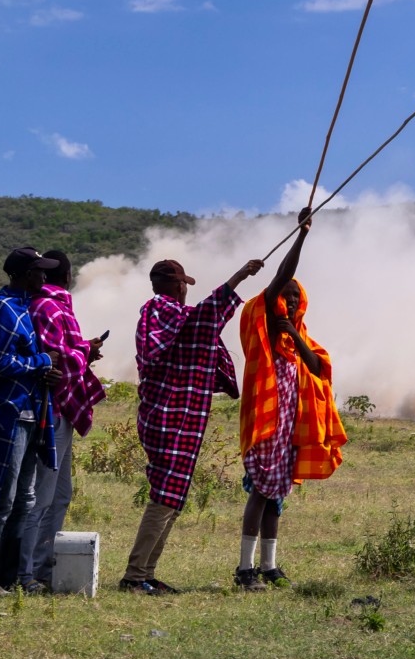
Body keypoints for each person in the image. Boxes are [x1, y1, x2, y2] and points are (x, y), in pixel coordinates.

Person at [121, 254, 263, 594]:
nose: (186, 290)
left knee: (171, 496)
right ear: (176, 286)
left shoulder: (169, 316)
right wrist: (239, 277)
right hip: (168, 416)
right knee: (164, 495)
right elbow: (204, 317)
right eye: (184, 284)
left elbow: (200, 322)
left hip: (178, 416)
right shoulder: (163, 312)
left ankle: (146, 574)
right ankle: (134, 576)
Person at [235, 210, 344, 591]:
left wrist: (295, 336)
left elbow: (318, 368)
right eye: (287, 296)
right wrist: (302, 235)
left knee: (275, 498)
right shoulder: (264, 321)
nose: (293, 301)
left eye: (297, 297)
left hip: (288, 429)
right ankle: (244, 569)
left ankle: (269, 566)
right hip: (264, 424)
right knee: (261, 492)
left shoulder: (298, 337)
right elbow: (281, 276)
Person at [0, 247, 60, 592]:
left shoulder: (22, 307)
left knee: (24, 498)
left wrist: (43, 370)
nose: (44, 276)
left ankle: (7, 578)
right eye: (39, 271)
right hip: (7, 412)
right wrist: (42, 362)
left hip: (28, 410)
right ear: (25, 274)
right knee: (3, 499)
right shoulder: (2, 307)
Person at [24, 249, 106, 589]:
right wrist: (86, 351)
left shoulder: (50, 305)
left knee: (59, 494)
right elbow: (60, 360)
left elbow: (62, 355)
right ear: (69, 277)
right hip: (52, 411)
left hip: (59, 413)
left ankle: (43, 567)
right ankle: (28, 570)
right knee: (43, 495)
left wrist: (83, 350)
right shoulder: (52, 307)